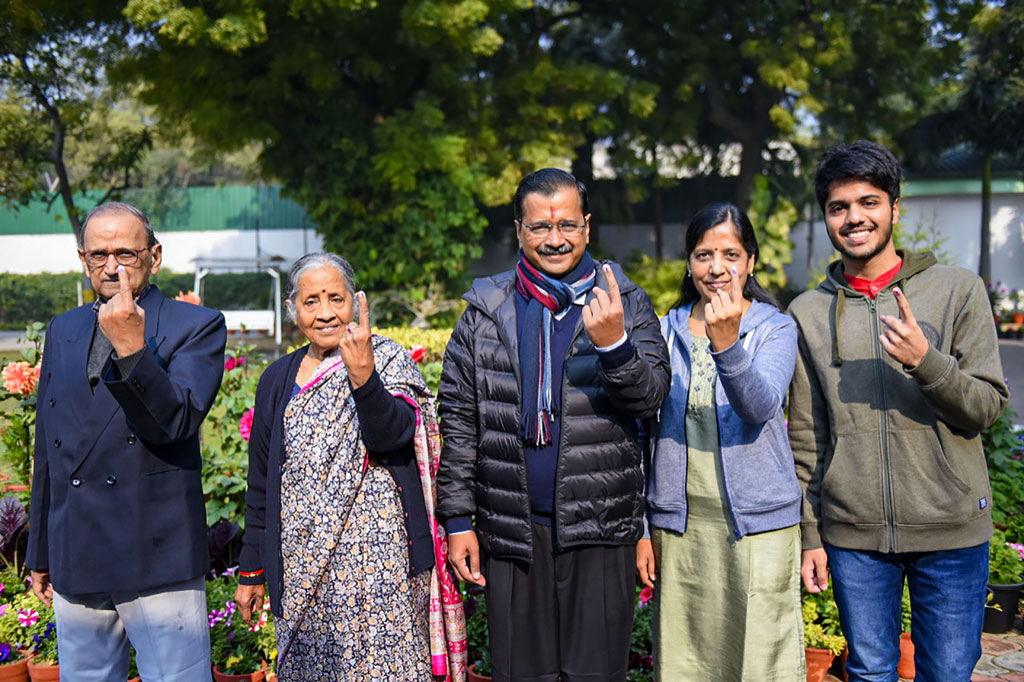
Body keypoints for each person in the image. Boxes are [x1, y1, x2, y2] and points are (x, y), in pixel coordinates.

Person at [437, 168, 670, 682]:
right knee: (522, 673)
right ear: (519, 231)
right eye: (540, 227)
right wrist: (457, 520)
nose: (555, 239)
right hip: (513, 532)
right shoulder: (486, 311)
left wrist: (614, 345)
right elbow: (458, 420)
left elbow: (650, 399)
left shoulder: (624, 303)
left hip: (600, 528)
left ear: (587, 226)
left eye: (567, 225)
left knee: (595, 673)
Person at [789, 140, 1008, 680]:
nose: (854, 218)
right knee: (869, 672)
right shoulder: (808, 313)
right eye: (839, 207)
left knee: (950, 673)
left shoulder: (957, 290)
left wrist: (925, 362)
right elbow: (805, 434)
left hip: (951, 530)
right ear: (825, 217)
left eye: (868, 202)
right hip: (854, 536)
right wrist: (811, 534)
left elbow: (986, 406)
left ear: (893, 206)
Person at [235, 252, 465, 680]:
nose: (325, 313)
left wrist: (364, 378)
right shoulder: (276, 379)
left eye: (336, 299)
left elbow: (392, 436)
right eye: (311, 302)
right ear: (292, 310)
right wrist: (252, 567)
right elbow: (262, 481)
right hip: (305, 568)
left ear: (355, 303)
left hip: (384, 570)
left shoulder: (388, 360)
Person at [26, 202, 226, 681]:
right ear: (83, 259)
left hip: (157, 551)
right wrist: (41, 551)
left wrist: (132, 347)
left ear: (154, 257)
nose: (111, 267)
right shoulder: (63, 328)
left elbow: (175, 421)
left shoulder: (195, 325)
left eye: (125, 253)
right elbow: (48, 448)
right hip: (77, 548)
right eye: (98, 255)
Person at [636, 202, 805, 681]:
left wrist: (727, 342)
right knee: (686, 658)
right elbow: (640, 432)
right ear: (689, 264)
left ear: (751, 260)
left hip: (758, 526)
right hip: (681, 528)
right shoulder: (662, 332)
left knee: (759, 659)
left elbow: (760, 406)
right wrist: (643, 529)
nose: (716, 267)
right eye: (703, 254)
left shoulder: (773, 327)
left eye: (730, 253)